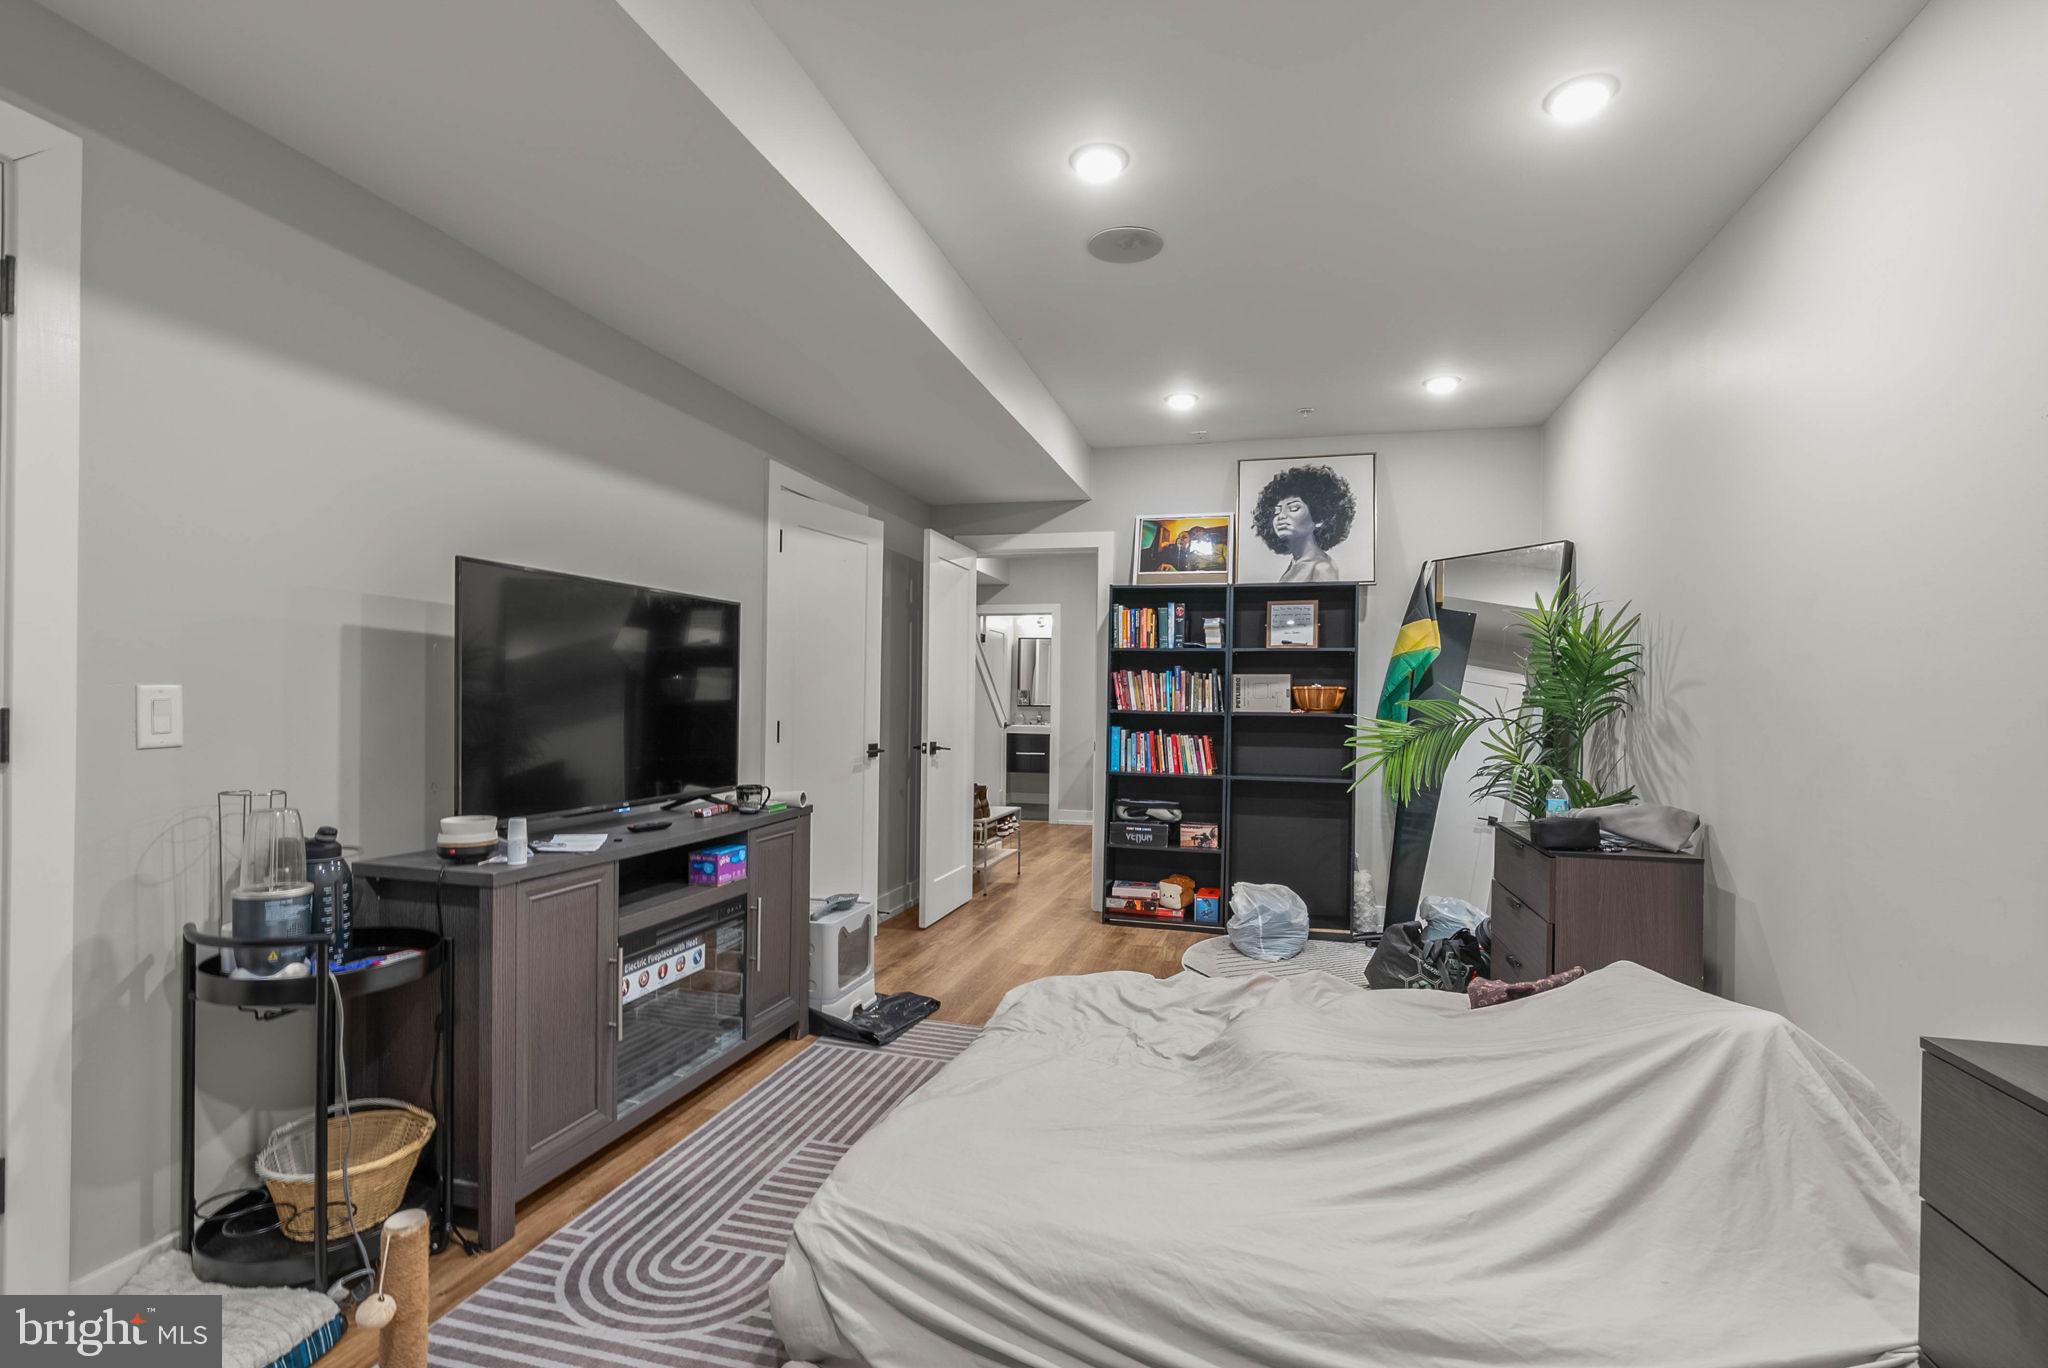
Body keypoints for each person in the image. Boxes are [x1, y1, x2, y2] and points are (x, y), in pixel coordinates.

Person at [1251, 464, 1356, 581]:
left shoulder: (1322, 568)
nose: (1281, 516)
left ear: (1319, 518)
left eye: (1294, 508)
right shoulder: (1296, 563)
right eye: (1277, 511)